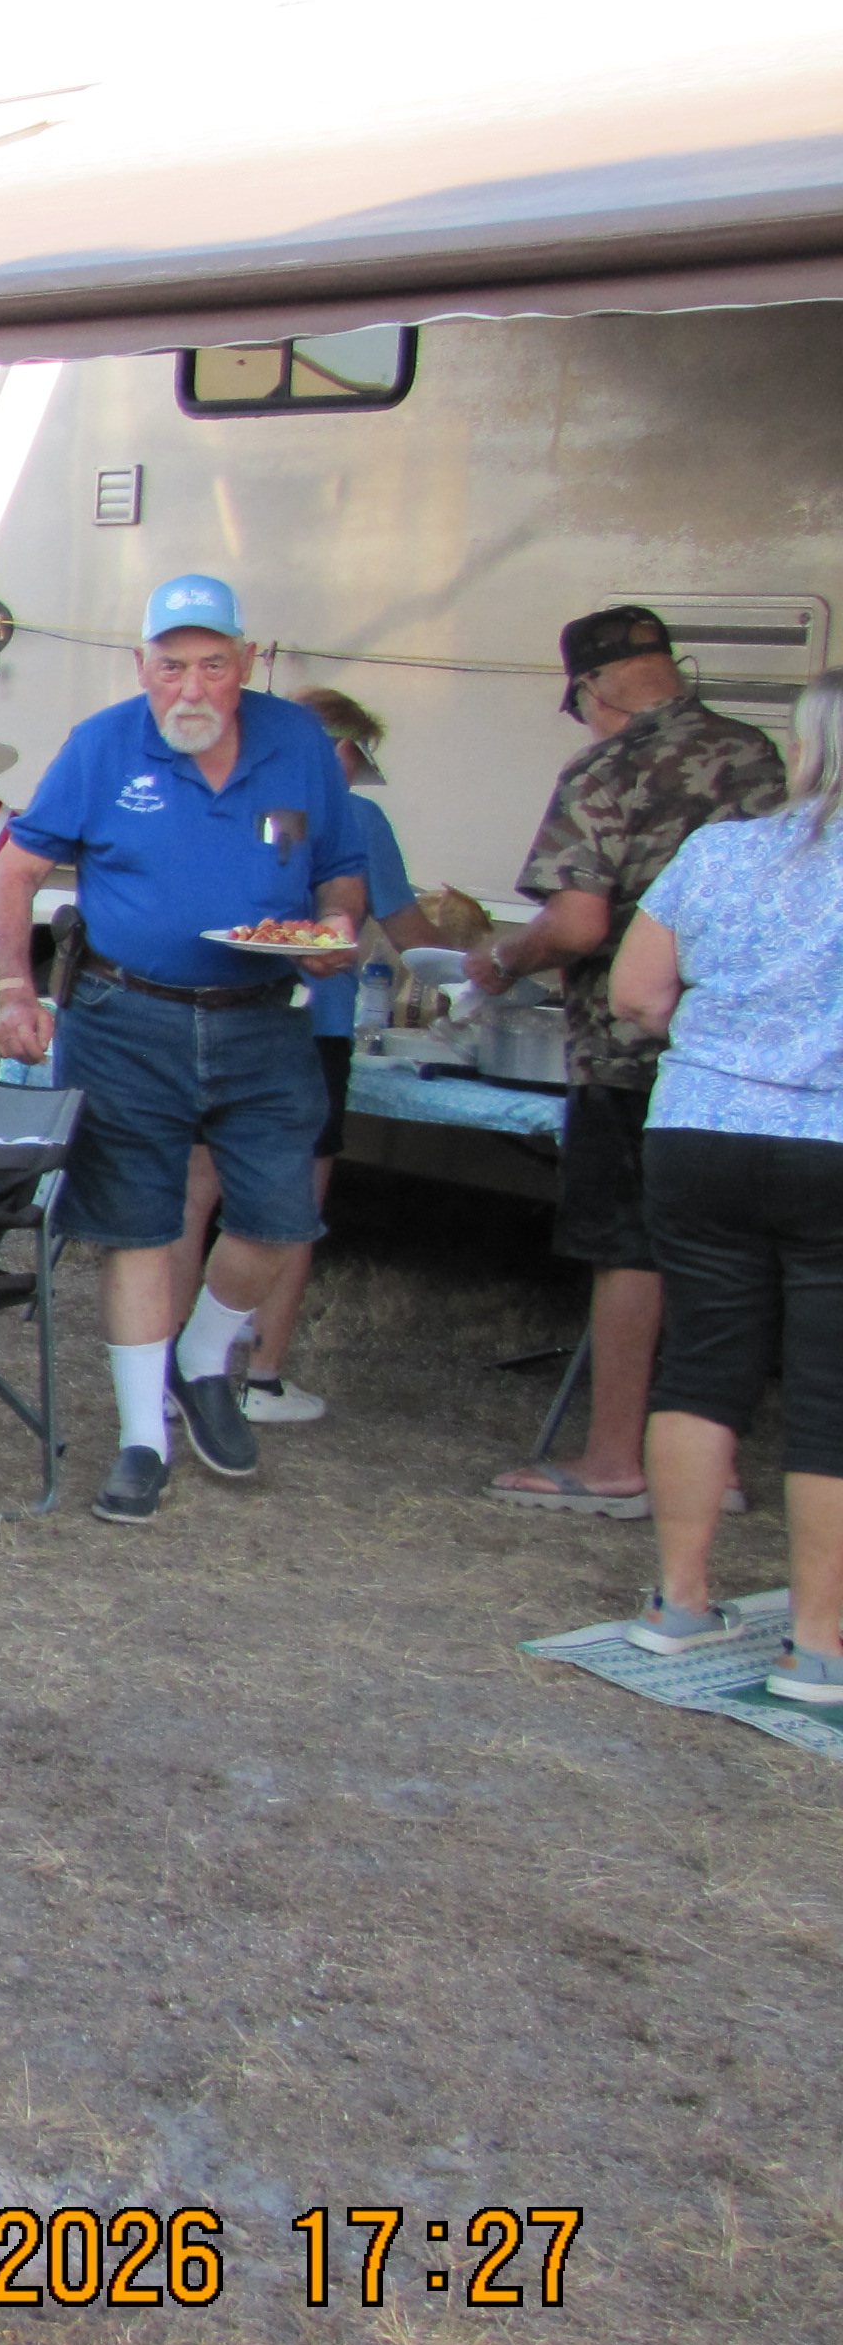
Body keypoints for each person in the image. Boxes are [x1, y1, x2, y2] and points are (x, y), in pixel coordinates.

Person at [0, 575, 366, 1524]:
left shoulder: (300, 743)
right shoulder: (105, 743)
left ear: (246, 665)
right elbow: (17, 868)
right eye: (171, 666)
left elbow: (341, 873)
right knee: (138, 1225)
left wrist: (334, 932)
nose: (190, 688)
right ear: (141, 666)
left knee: (280, 1217)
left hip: (263, 1011)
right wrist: (18, 993)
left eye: (213, 665)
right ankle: (141, 1440)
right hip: (125, 1015)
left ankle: (204, 1359)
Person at [472, 605, 792, 1514]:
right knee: (721, 1256)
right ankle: (714, 1463)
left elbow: (577, 924)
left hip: (627, 1046)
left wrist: (503, 959)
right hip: (737, 1050)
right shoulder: (757, 754)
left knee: (631, 1254)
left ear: (592, 688)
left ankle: (616, 1458)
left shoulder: (607, 769)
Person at [610, 670, 843, 1694]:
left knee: (702, 1363)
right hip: (830, 1141)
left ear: (803, 750)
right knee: (832, 1395)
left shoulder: (718, 852)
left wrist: (728, 1043)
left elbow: (634, 992)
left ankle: (678, 1601)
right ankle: (821, 1644)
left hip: (698, 1129)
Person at [174, 685, 419, 1425]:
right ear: (336, 747)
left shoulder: (217, 802)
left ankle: (167, 1370)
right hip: (313, 1032)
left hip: (216, 1012)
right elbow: (410, 929)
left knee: (193, 1197)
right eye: (360, 754)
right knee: (289, 1209)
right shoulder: (356, 818)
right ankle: (262, 1379)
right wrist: (487, 966)